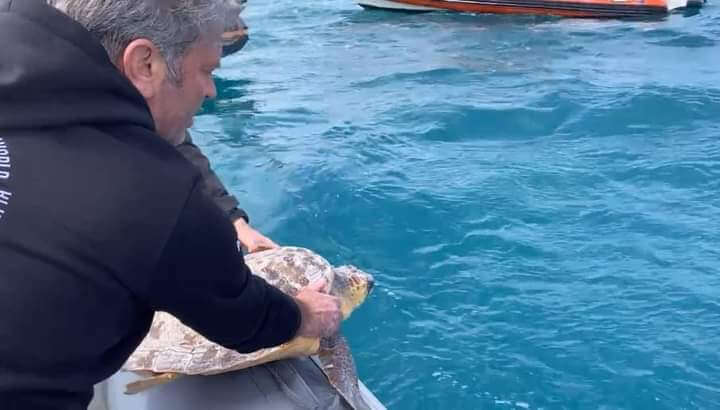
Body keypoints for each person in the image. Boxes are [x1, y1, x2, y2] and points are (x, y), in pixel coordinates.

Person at [0, 1, 341, 409]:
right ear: (145, 64)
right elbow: (244, 318)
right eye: (207, 71)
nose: (211, 90)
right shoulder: (153, 198)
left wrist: (230, 216)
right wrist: (305, 313)